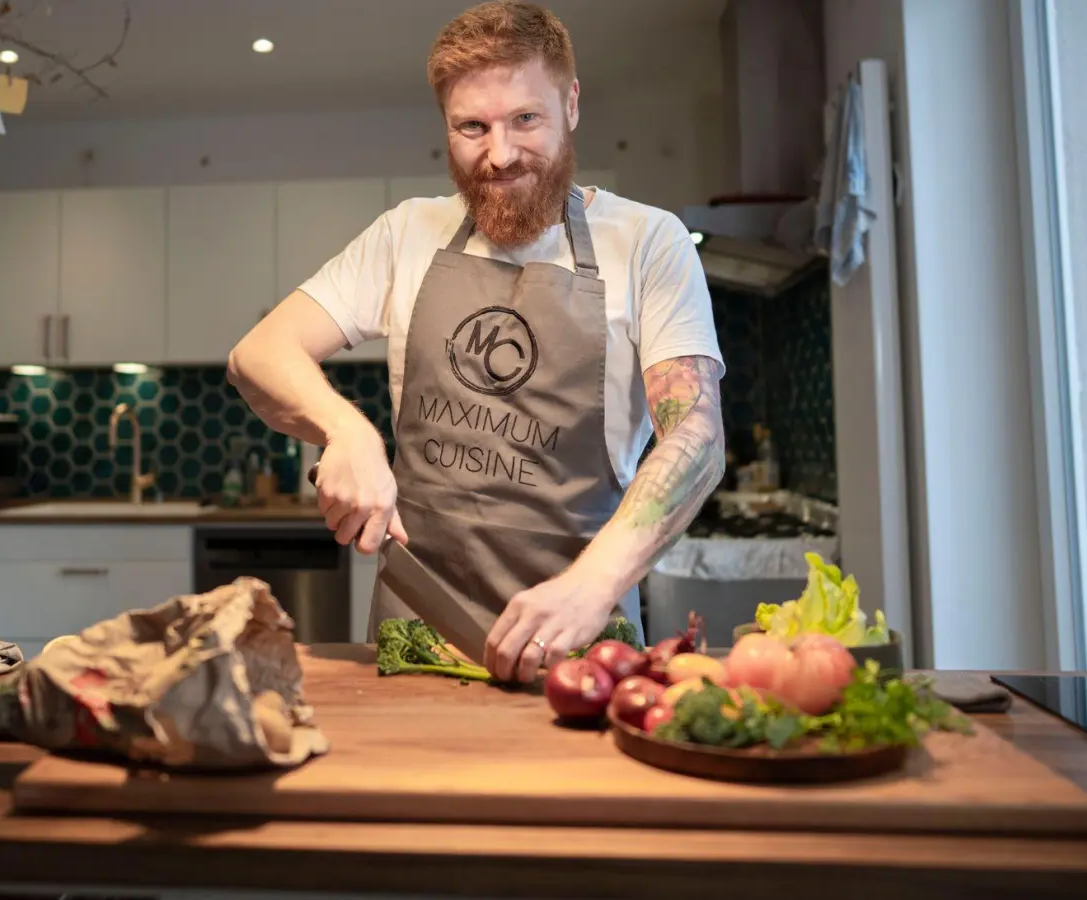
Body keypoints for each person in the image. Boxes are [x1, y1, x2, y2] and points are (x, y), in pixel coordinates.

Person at [228, 0, 725, 683]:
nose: (500, 154)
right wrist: (347, 432)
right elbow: (259, 354)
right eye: (472, 127)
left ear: (571, 103)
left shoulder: (646, 243)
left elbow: (696, 439)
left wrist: (593, 585)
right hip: (417, 642)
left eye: (526, 119)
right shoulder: (408, 234)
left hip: (581, 648)